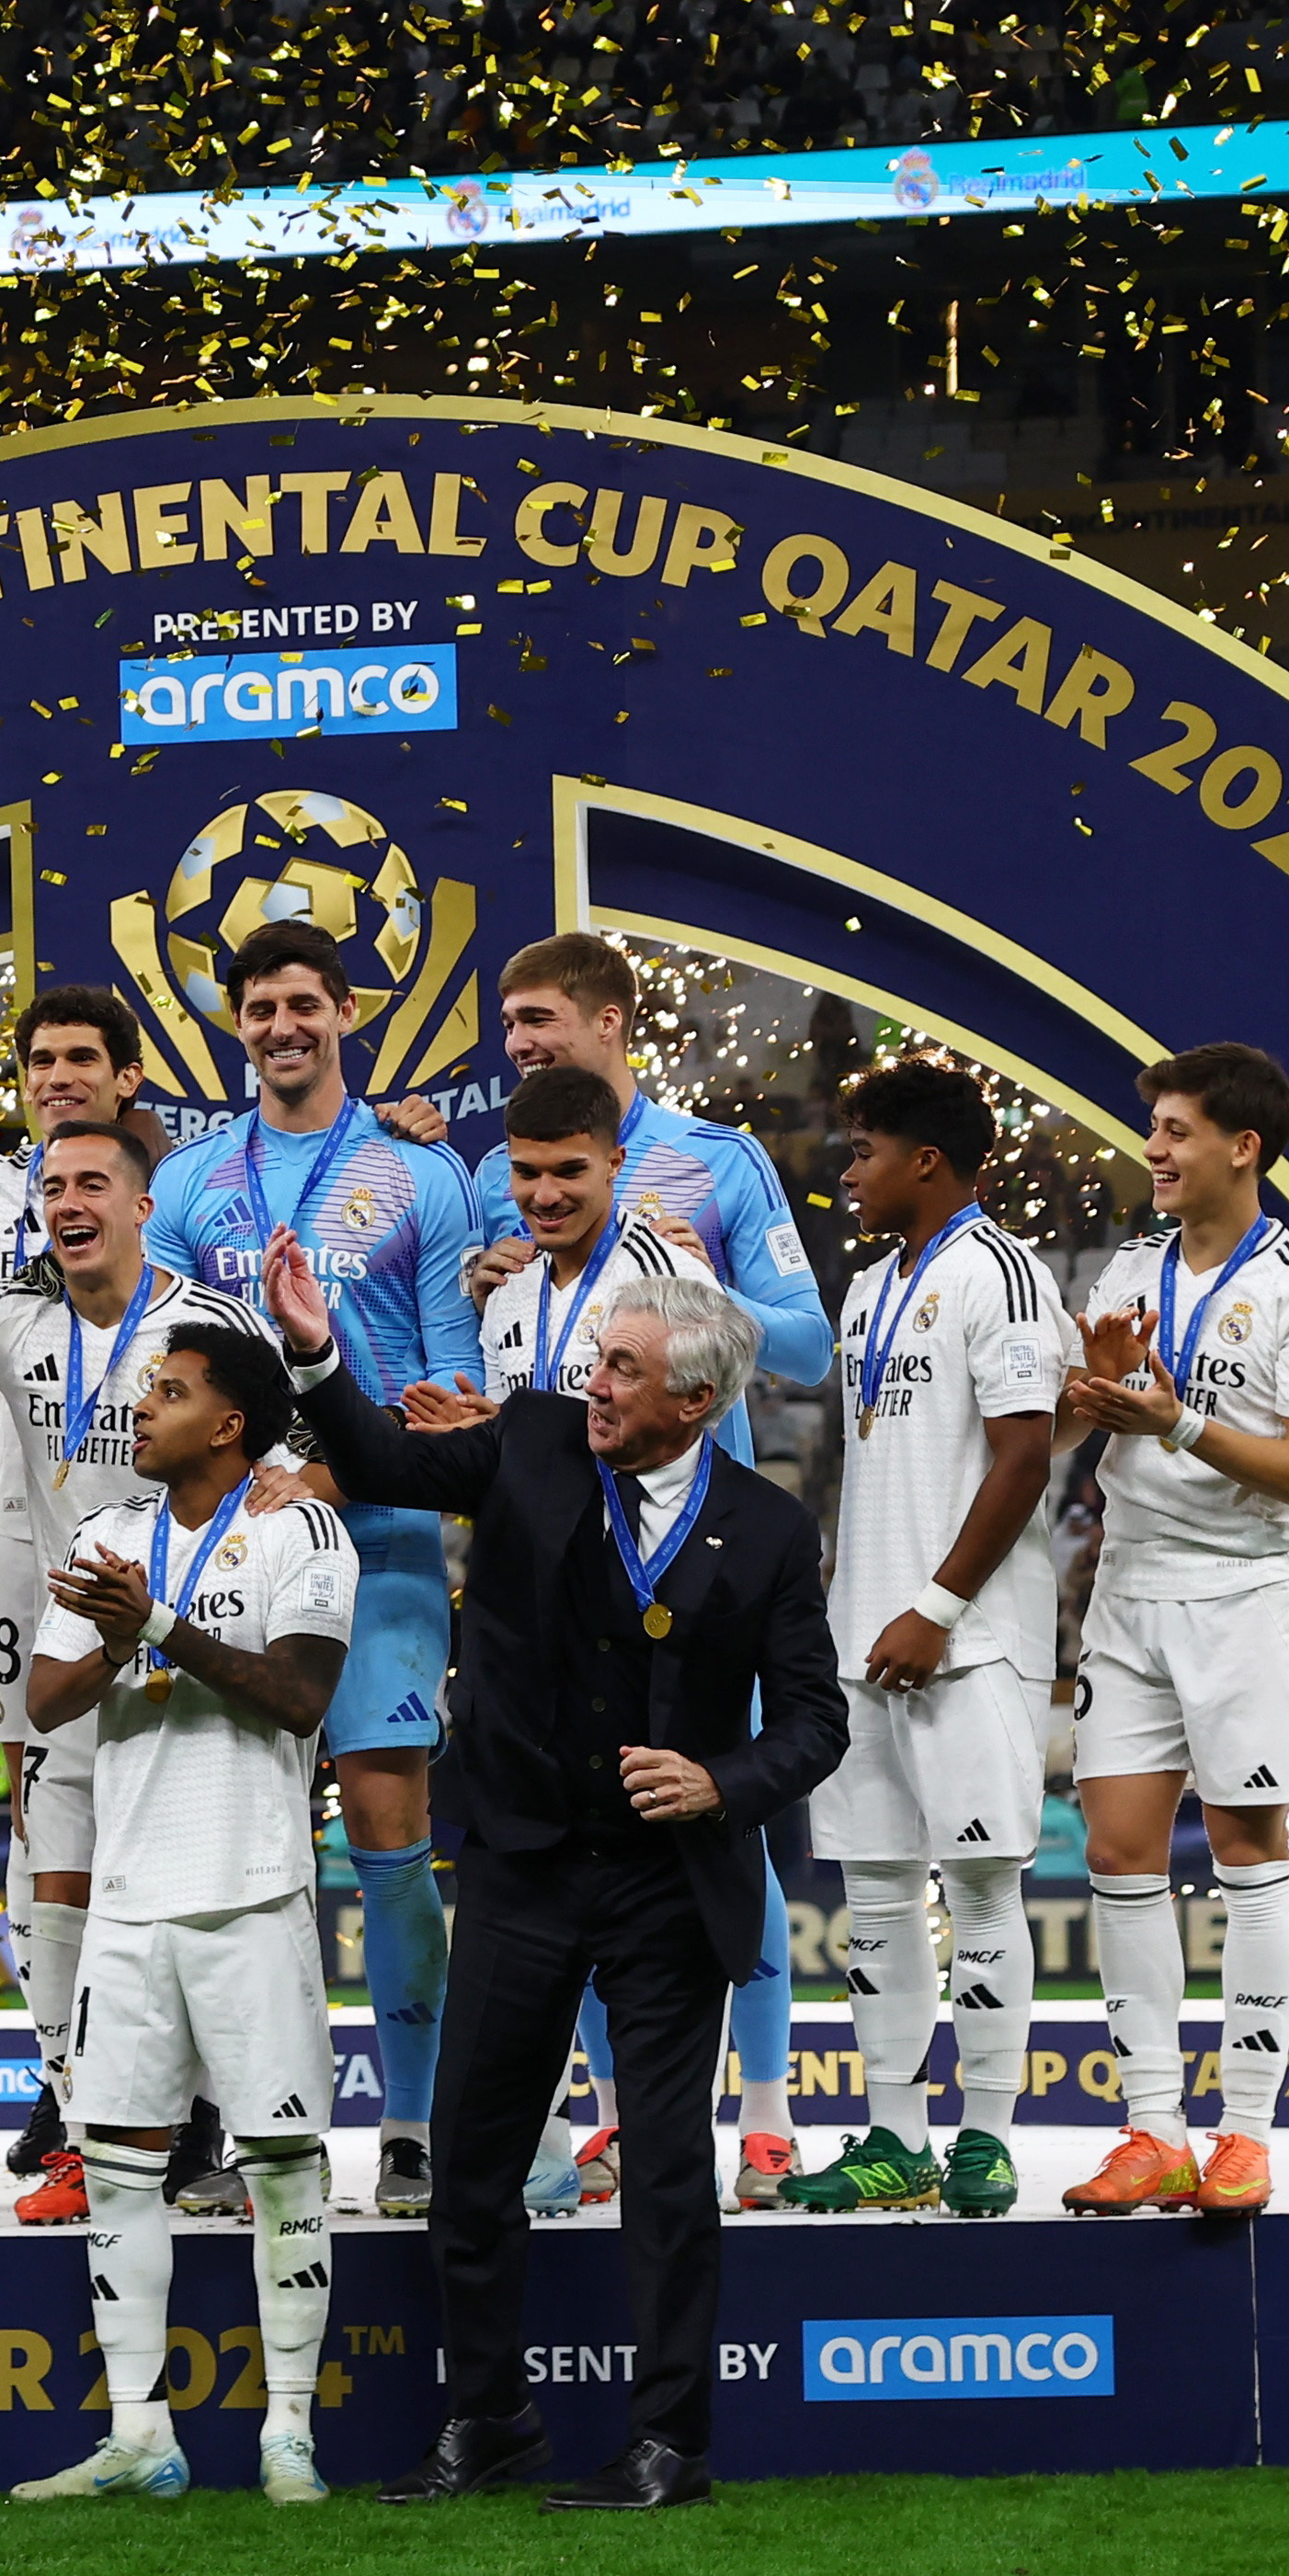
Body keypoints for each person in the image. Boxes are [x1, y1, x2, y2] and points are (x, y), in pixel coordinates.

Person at [272, 1252, 847, 2512]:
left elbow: (815, 1725)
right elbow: (381, 1465)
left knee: (666, 2175)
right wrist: (317, 1356)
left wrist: (723, 1783)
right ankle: (489, 2419)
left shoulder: (767, 1528)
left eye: (624, 1372)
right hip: (525, 1867)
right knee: (473, 2163)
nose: (593, 1387)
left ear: (694, 1402)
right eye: (596, 1361)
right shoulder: (531, 1441)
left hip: (665, 1886)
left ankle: (670, 2445)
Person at [425, 937, 836, 2215]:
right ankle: (612, 2124)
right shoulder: (505, 1173)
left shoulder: (715, 1164)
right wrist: (502, 1273)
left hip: (693, 1553)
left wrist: (681, 1288)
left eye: (539, 1016)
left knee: (718, 1822)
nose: (519, 1042)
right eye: (508, 1020)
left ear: (610, 1020)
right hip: (555, 1574)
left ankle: (764, 2121)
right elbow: (517, 1352)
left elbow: (812, 1350)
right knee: (591, 1836)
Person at [146, 918, 480, 2217]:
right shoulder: (189, 1181)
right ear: (237, 1027)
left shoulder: (421, 1178)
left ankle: (410, 2125)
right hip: (231, 1543)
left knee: (391, 1842)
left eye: (303, 1004)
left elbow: (452, 1377)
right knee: (242, 1850)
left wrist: (340, 1472)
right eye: (260, 1010)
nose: (282, 1027)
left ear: (345, 1010)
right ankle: (258, 2133)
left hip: (378, 1539)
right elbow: (164, 1373)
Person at [13, 1325, 353, 2508]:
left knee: (280, 2170)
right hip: (127, 1902)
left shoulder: (296, 1527)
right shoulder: (105, 1535)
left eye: (167, 1391)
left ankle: (288, 2437)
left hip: (251, 1892)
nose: (140, 1407)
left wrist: (154, 1627)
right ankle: (139, 2436)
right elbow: (47, 1701)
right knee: (115, 2173)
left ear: (227, 1423)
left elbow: (300, 1695)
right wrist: (117, 1634)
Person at [1058, 1043, 1289, 2222]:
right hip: (1128, 1584)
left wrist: (1175, 1420)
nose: (1154, 1150)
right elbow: (1087, 1431)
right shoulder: (1127, 1268)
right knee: (1117, 1853)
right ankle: (1149, 2130)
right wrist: (1089, 1395)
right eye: (1154, 1131)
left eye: (1176, 1131)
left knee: (1246, 1852)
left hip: (1245, 1590)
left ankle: (1243, 2133)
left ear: (1243, 1146)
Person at [775, 1062, 1071, 2222]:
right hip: (866, 1635)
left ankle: (985, 2138)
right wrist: (860, 1605)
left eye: (861, 1152)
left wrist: (936, 1607)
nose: (846, 1173)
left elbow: (1023, 1458)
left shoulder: (1000, 1273)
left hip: (972, 1638)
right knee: (882, 1896)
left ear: (925, 1162)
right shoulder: (863, 1290)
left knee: (984, 1887)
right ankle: (894, 2138)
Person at [0, 1118, 266, 2219]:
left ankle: (205, 2137)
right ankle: (84, 2130)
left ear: (143, 1206)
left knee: (186, 1899)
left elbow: (280, 1474)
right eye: (52, 1185)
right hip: (63, 1649)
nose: (68, 1201)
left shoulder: (211, 1324)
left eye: (93, 1182)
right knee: (58, 1889)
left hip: (187, 1649)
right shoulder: (3, 1323)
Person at [0, 985, 160, 1291]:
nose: (58, 1078)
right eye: (43, 1062)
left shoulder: (175, 1180)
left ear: (127, 1079)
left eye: (81, 1059)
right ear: (28, 1083)